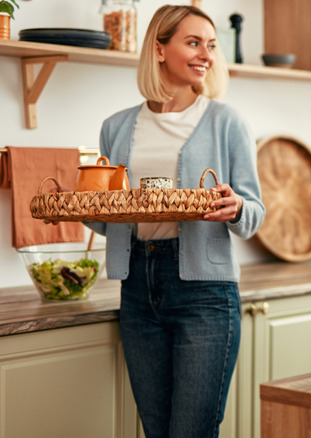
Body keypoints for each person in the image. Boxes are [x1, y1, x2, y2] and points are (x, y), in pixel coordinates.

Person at [86, 5, 265, 437]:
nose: (206, 54)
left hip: (205, 294)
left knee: (191, 431)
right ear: (159, 48)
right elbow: (113, 217)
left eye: (211, 45)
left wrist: (236, 207)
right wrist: (77, 209)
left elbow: (254, 212)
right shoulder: (116, 126)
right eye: (193, 42)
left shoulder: (227, 122)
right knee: (157, 429)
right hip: (137, 290)